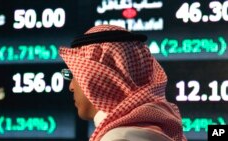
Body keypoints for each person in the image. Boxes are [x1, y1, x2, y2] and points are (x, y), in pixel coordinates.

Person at [59, 25, 187, 141]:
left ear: (99, 78)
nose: (71, 87)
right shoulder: (160, 129)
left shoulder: (119, 138)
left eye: (74, 75)